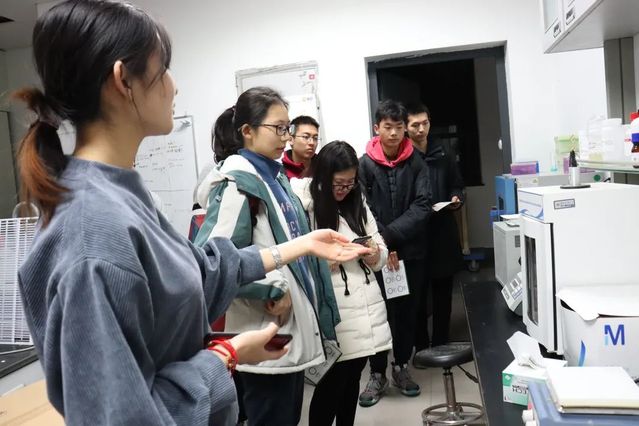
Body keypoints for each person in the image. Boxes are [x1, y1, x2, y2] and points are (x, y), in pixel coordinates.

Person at [15, 2, 369, 425]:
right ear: (123, 80)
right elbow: (124, 416)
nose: (175, 86)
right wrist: (224, 356)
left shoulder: (124, 194)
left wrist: (300, 246)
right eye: (163, 70)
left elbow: (199, 271)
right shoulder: (94, 231)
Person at [195, 87, 352, 425]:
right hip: (263, 336)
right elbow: (214, 262)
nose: (286, 137)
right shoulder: (238, 184)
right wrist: (272, 287)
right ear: (247, 131)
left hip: (287, 333)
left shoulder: (274, 178)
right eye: (278, 128)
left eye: (287, 128)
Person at [291, 141, 392, 426]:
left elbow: (380, 248)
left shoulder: (356, 202)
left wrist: (374, 253)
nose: (344, 189)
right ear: (323, 176)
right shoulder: (305, 205)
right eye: (338, 183)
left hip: (366, 304)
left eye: (350, 183)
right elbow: (295, 258)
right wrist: (326, 262)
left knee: (352, 379)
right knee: (332, 383)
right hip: (334, 309)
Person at [357, 100, 432, 407]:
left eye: (398, 127)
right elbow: (361, 208)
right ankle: (377, 373)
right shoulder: (364, 164)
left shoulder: (417, 162)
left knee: (406, 313)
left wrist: (389, 239)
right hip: (376, 255)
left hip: (409, 253)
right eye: (387, 127)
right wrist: (382, 245)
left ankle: (401, 366)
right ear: (377, 128)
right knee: (378, 313)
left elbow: (423, 205)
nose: (393, 133)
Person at [405, 103, 465, 353]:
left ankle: (441, 342)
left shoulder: (443, 152)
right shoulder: (403, 157)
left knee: (443, 292)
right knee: (417, 294)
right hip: (415, 235)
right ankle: (421, 346)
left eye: (425, 123)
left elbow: (456, 184)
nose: (421, 129)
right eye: (415, 125)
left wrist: (456, 198)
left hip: (442, 231)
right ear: (406, 127)